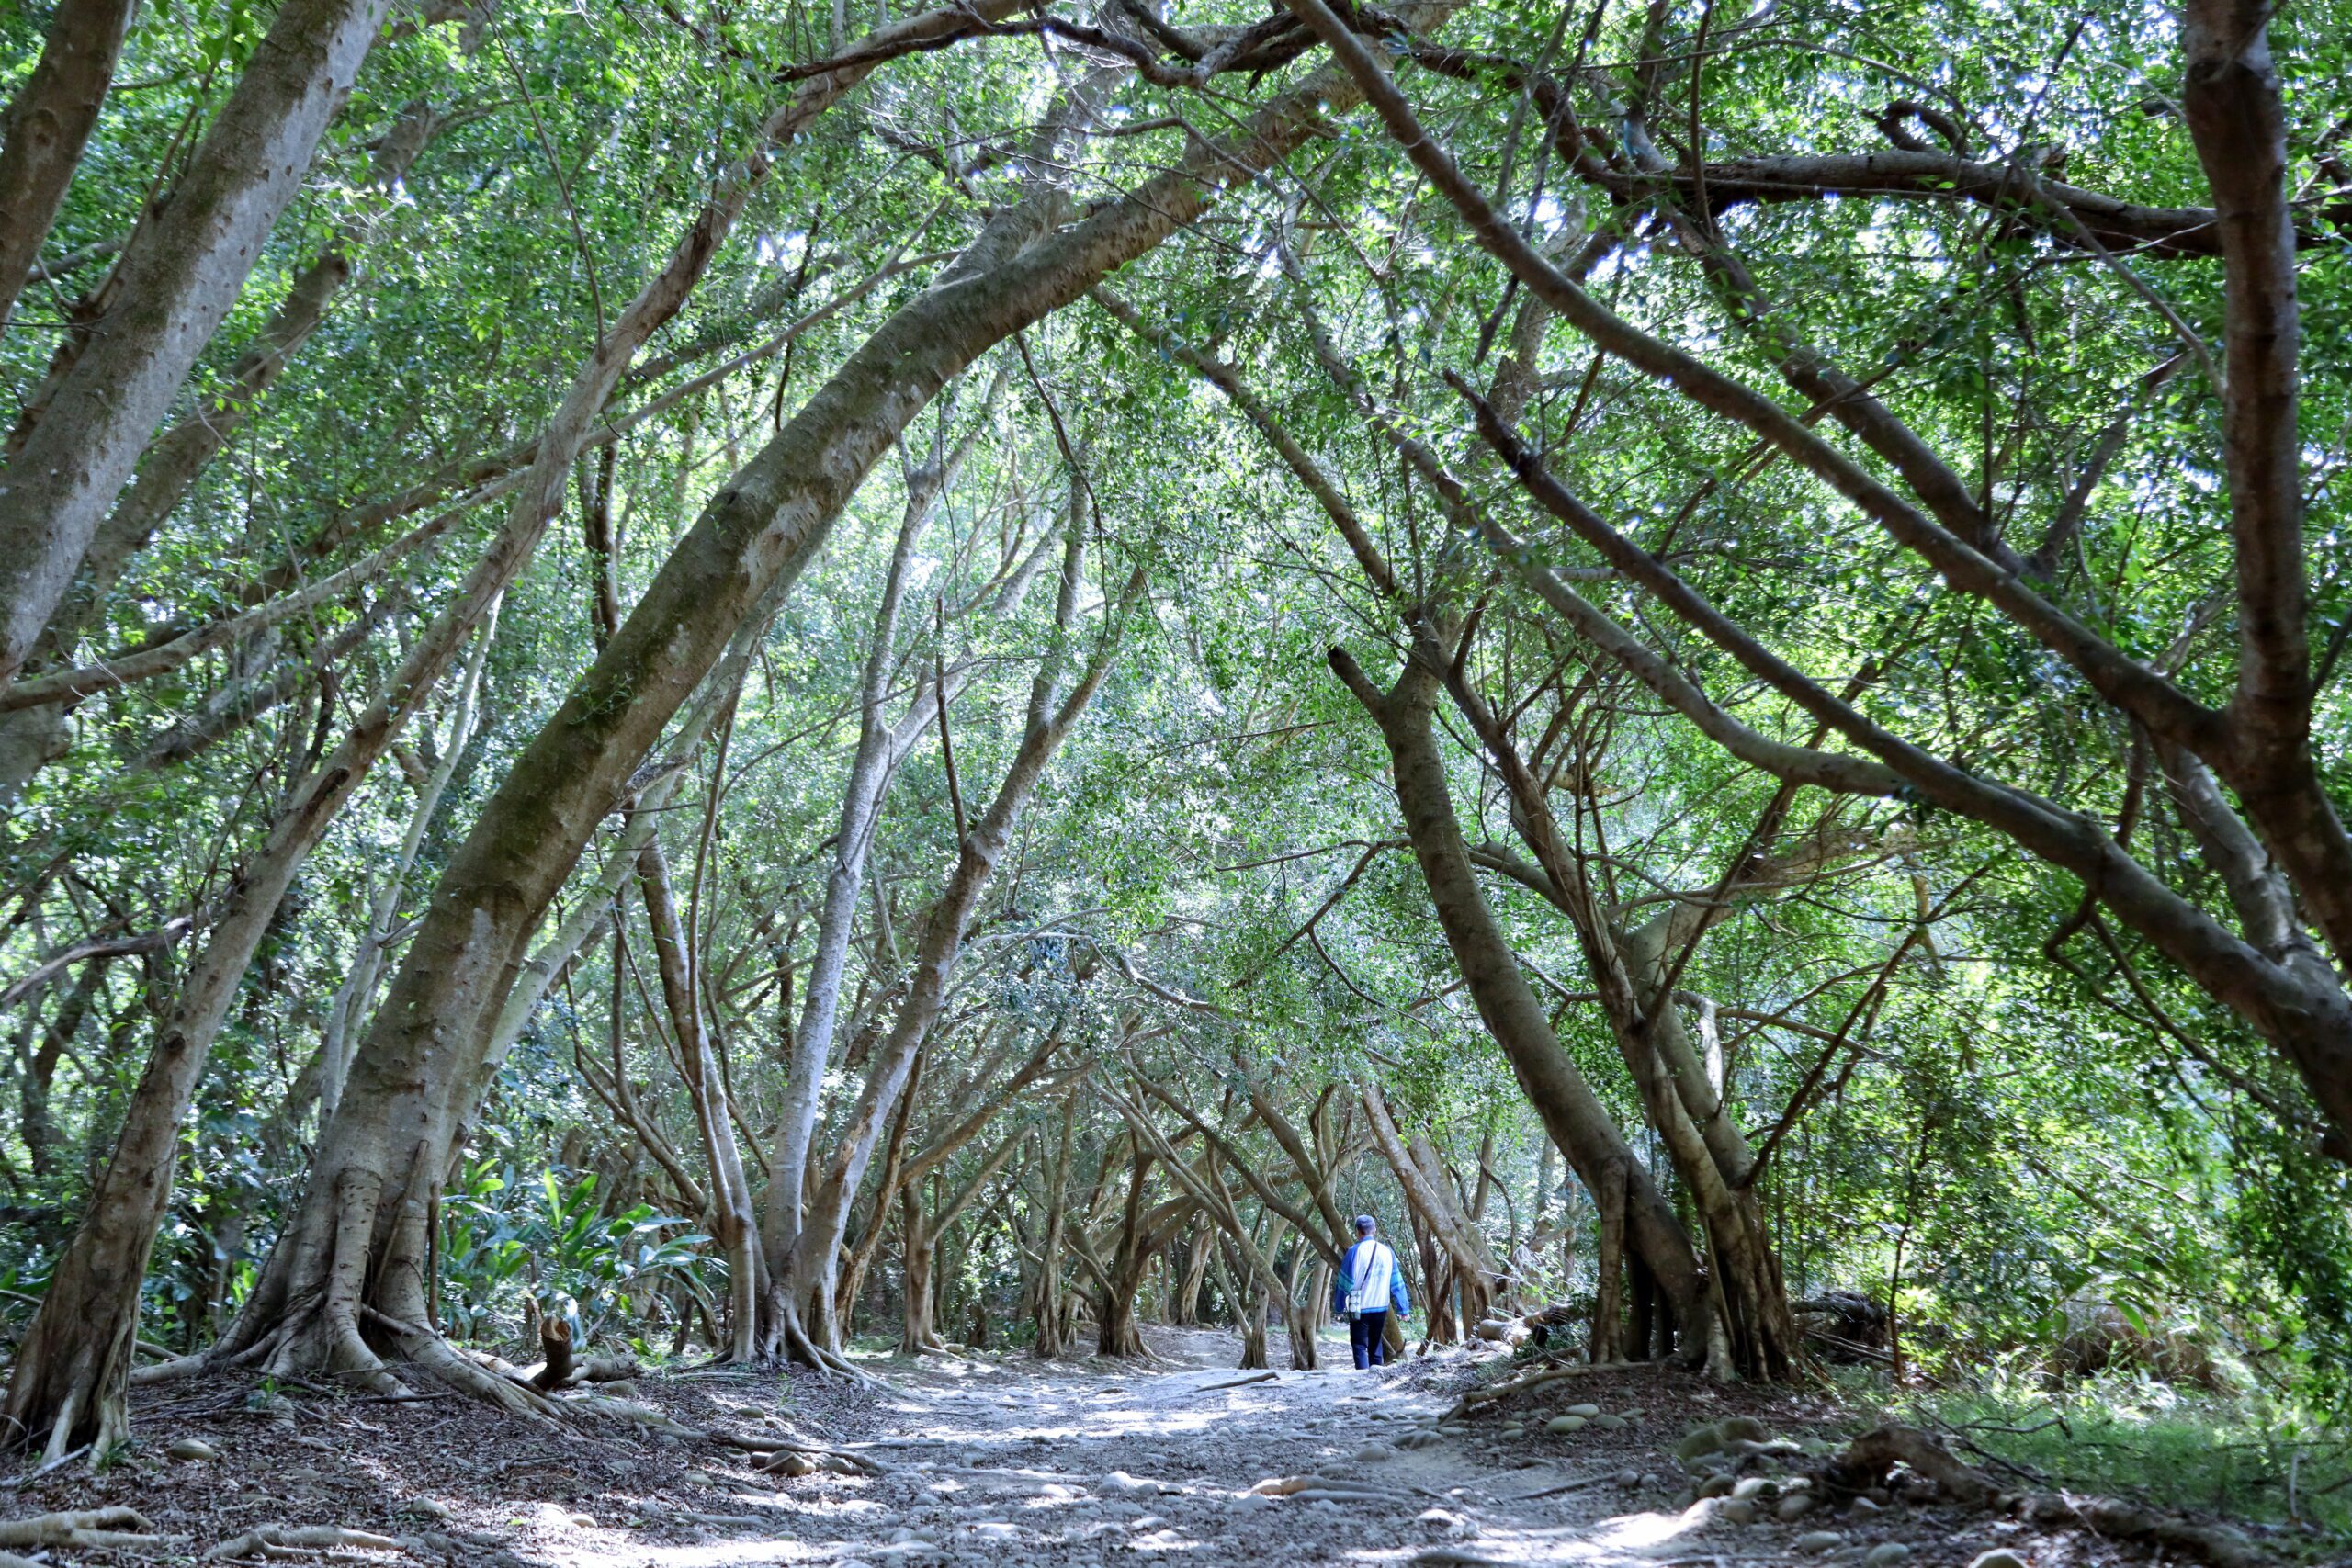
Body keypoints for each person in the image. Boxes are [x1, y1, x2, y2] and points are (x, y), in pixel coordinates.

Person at [1330, 1214, 1410, 1369]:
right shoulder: (1387, 1252)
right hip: (1380, 1305)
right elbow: (1397, 1283)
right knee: (1376, 1344)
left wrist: (1339, 1307)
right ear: (1374, 1230)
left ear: (1358, 1232)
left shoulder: (1354, 1252)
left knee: (1359, 1345)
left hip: (1357, 1304)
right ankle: (1375, 1379)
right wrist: (1403, 1308)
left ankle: (1362, 1379)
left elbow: (1344, 1283)